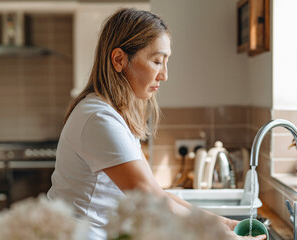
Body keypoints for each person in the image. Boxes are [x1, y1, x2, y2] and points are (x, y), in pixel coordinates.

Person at [47, 8, 266, 240]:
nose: (164, 75)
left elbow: (156, 191)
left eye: (165, 62)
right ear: (119, 60)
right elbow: (148, 196)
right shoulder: (99, 119)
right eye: (157, 61)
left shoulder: (112, 114)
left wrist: (220, 222)